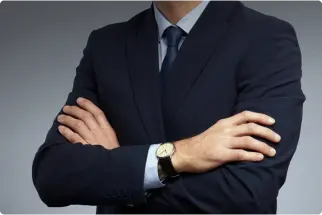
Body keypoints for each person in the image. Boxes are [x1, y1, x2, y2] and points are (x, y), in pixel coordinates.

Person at [31, 0, 305, 214]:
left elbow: (248, 194)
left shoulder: (266, 38)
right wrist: (178, 155)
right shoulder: (106, 45)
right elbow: (52, 175)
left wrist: (126, 170)